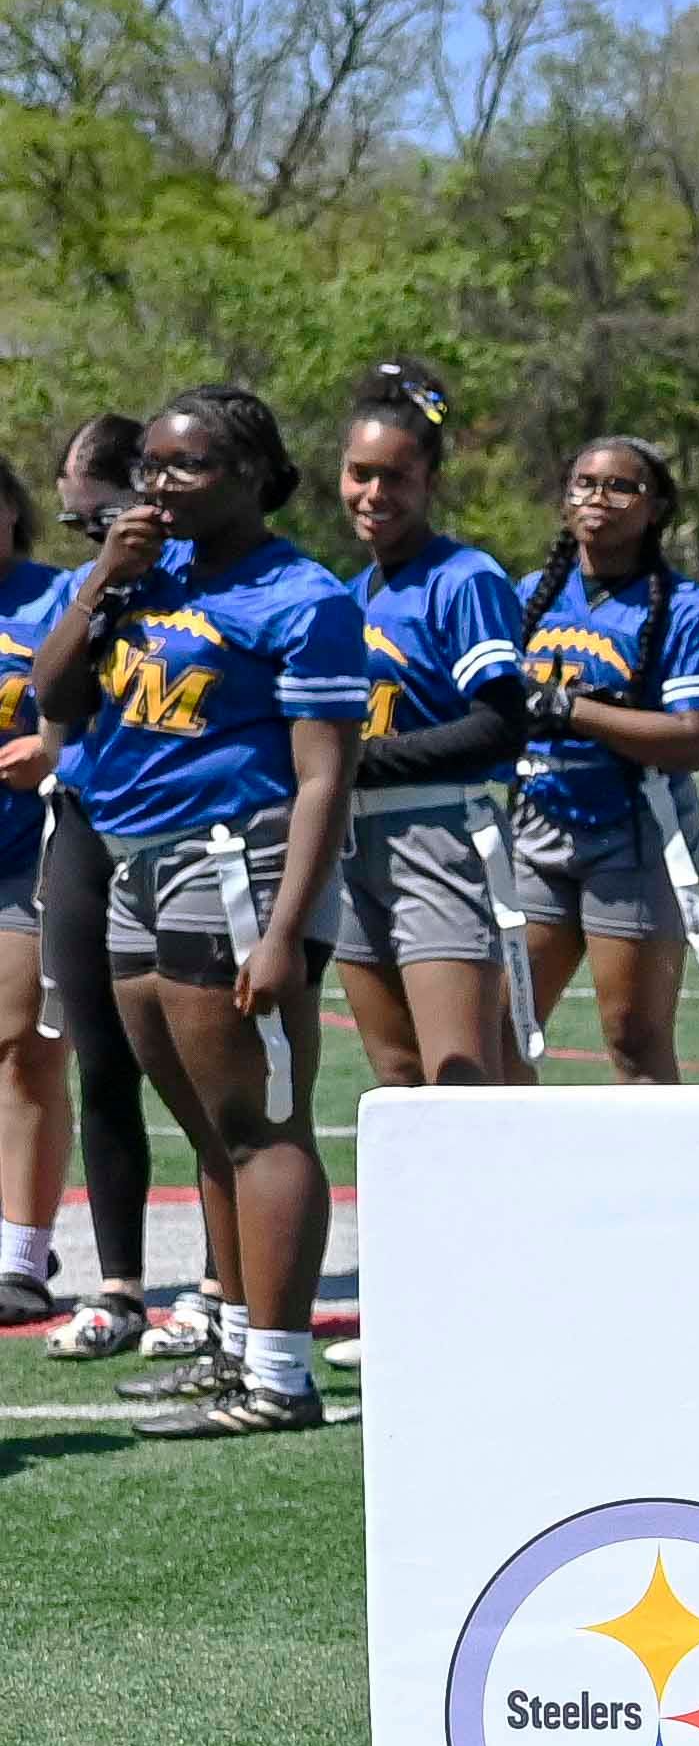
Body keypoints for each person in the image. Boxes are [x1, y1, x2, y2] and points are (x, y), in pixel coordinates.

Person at [28, 387, 365, 1436]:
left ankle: (279, 1372)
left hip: (235, 863)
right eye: (153, 467)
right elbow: (53, 697)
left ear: (254, 476)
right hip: (132, 857)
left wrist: (281, 932)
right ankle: (228, 1340)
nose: (160, 486)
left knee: (259, 1122)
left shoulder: (302, 597)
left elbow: (323, 780)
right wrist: (100, 582)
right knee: (203, 1124)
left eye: (188, 467)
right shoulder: (143, 574)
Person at [328, 365, 533, 1092]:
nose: (375, 493)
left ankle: (505, 1208)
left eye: (397, 476)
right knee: (398, 1075)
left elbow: (502, 726)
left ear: (430, 481)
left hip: (438, 839)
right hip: (352, 847)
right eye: (360, 473)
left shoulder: (464, 578)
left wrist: (358, 763)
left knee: (461, 1076)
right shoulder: (353, 591)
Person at [502, 438, 699, 1083]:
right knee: (505, 1028)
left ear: (655, 507)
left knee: (634, 1038)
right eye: (583, 483)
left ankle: (661, 1185)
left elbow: (694, 738)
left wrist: (571, 711)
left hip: (634, 832)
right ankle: (521, 1179)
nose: (596, 498)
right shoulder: (529, 594)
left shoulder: (686, 608)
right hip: (537, 826)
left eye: (618, 486)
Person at [26, 418, 170, 1359]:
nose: (89, 534)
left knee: (207, 1077)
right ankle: (119, 1285)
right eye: (79, 526)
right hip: (86, 820)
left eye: (98, 518)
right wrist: (100, 578)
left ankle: (216, 1291)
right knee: (101, 1064)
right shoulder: (98, 581)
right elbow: (55, 698)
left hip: (190, 835)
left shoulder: (208, 575)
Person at [0, 448, 76, 1324]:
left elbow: (100, 707)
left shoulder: (55, 595)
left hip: (32, 851)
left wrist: (53, 750)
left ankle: (22, 1256)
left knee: (24, 1047)